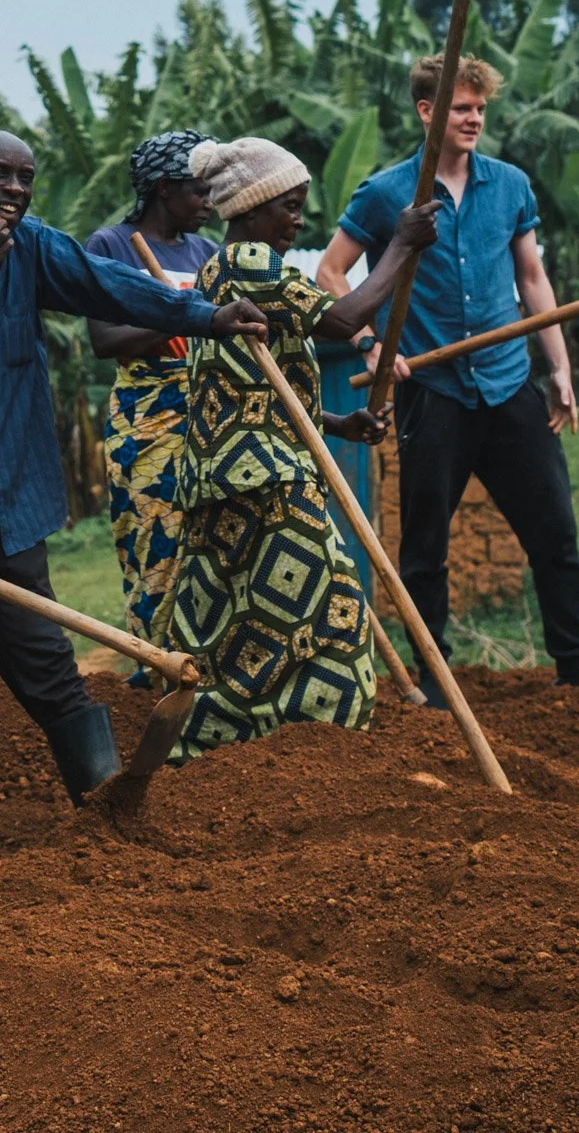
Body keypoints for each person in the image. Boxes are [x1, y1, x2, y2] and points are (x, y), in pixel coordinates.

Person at [0, 130, 269, 864]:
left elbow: (109, 287)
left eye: (26, 177)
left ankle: (107, 804)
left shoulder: (39, 245)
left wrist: (206, 318)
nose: (14, 190)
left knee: (45, 658)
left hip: (10, 497)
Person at [316, 54, 579, 701]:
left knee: (554, 531)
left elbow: (532, 278)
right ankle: (436, 676)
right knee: (426, 546)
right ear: (427, 112)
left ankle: (577, 667)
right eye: (462, 107)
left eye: (480, 108)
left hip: (507, 383)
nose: (475, 118)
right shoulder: (390, 193)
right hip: (433, 392)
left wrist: (558, 369)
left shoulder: (510, 186)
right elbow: (331, 272)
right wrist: (369, 344)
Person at [169, 138, 439, 761]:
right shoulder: (251, 262)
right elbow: (342, 321)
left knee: (243, 622)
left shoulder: (218, 267)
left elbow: (257, 388)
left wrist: (339, 425)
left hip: (222, 476)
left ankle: (232, 743)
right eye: (288, 206)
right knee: (337, 606)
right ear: (254, 207)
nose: (298, 220)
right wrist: (398, 245)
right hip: (264, 480)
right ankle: (328, 748)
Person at [85, 129, 218, 684]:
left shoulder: (209, 254)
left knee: (208, 552)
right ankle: (156, 678)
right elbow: (104, 340)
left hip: (208, 418)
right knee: (153, 549)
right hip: (146, 420)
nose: (209, 203)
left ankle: (206, 678)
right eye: (199, 191)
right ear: (165, 189)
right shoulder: (112, 247)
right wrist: (177, 313)